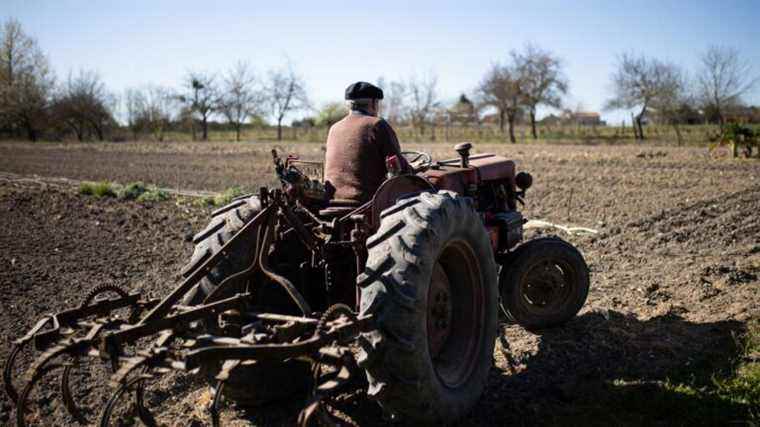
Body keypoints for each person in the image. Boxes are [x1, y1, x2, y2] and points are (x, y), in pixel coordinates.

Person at [323, 81, 411, 203]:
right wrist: (413, 172)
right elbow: (400, 168)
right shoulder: (376, 125)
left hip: (330, 200)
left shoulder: (334, 128)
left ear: (349, 104)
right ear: (374, 104)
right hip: (366, 202)